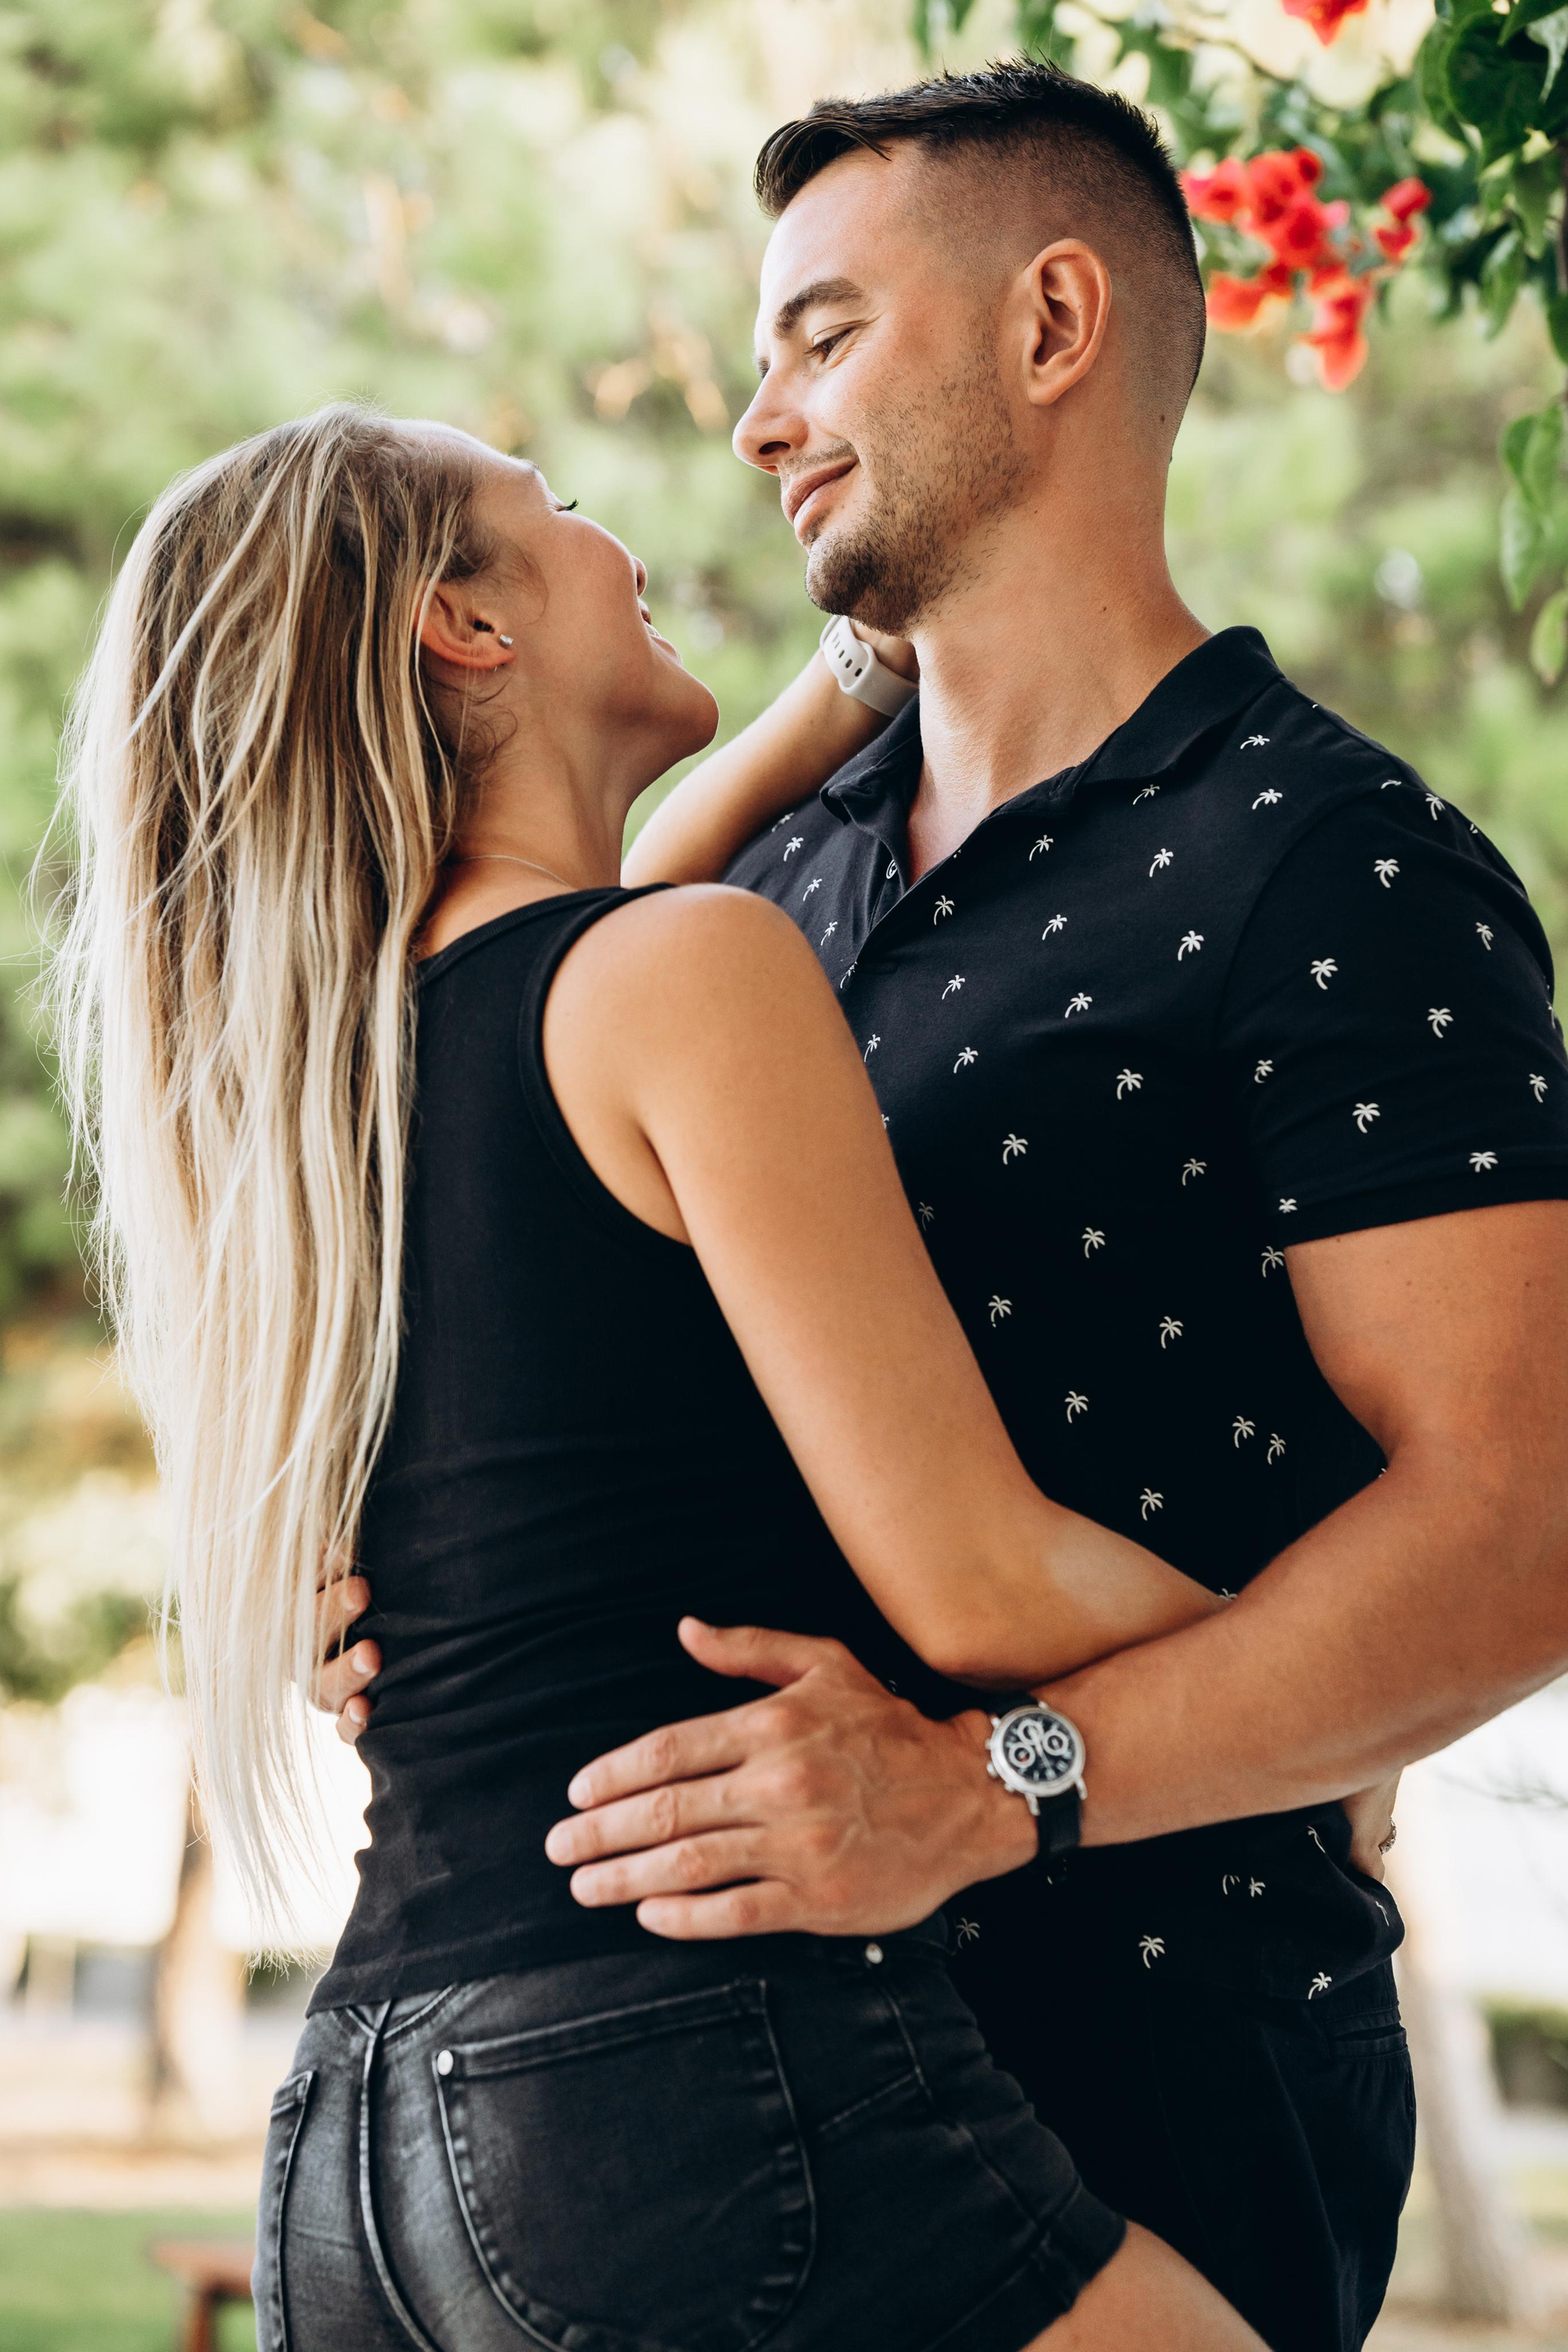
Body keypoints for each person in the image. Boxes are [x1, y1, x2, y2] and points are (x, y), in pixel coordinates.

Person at [515, 60, 1568, 2352]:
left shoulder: (1342, 870)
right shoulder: (761, 886)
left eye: (823, 338)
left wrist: (993, 1792)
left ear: (1054, 323)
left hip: (1154, 2071)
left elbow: (1520, 1533)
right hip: (713, 2100)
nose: (760, 422)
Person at [50, 403, 1275, 2348]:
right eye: (557, 509)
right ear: (467, 626)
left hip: (363, 2147)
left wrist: (859, 668)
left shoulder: (324, 1090)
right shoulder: (679, 977)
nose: (622, 540)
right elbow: (985, 1585)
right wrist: (1327, 1701)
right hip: (679, 2074)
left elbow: (595, 927)